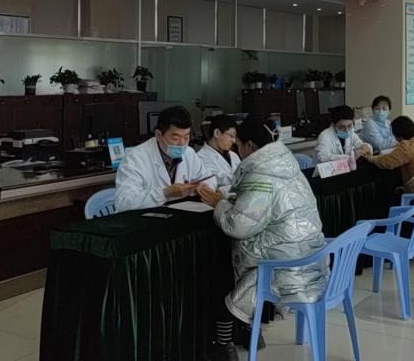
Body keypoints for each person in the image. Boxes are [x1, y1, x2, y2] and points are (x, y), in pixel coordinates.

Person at [198, 114, 327, 359]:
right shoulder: (284, 164)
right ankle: (250, 332)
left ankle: (223, 344)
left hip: (285, 265)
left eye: (238, 144)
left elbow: (237, 226)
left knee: (223, 275)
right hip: (310, 256)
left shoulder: (261, 175)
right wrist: (231, 200)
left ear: (248, 145)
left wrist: (219, 204)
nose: (236, 149)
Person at [115, 106, 210, 211]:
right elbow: (123, 202)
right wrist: (165, 193)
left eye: (186, 137)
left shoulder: (189, 153)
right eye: (175, 138)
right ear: (158, 134)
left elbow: (207, 178)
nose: (182, 143)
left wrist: (202, 187)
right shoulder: (135, 158)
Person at [197, 115, 241, 195]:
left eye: (235, 137)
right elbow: (216, 180)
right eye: (231, 136)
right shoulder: (200, 157)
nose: (234, 141)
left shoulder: (233, 155)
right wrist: (243, 179)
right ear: (217, 133)